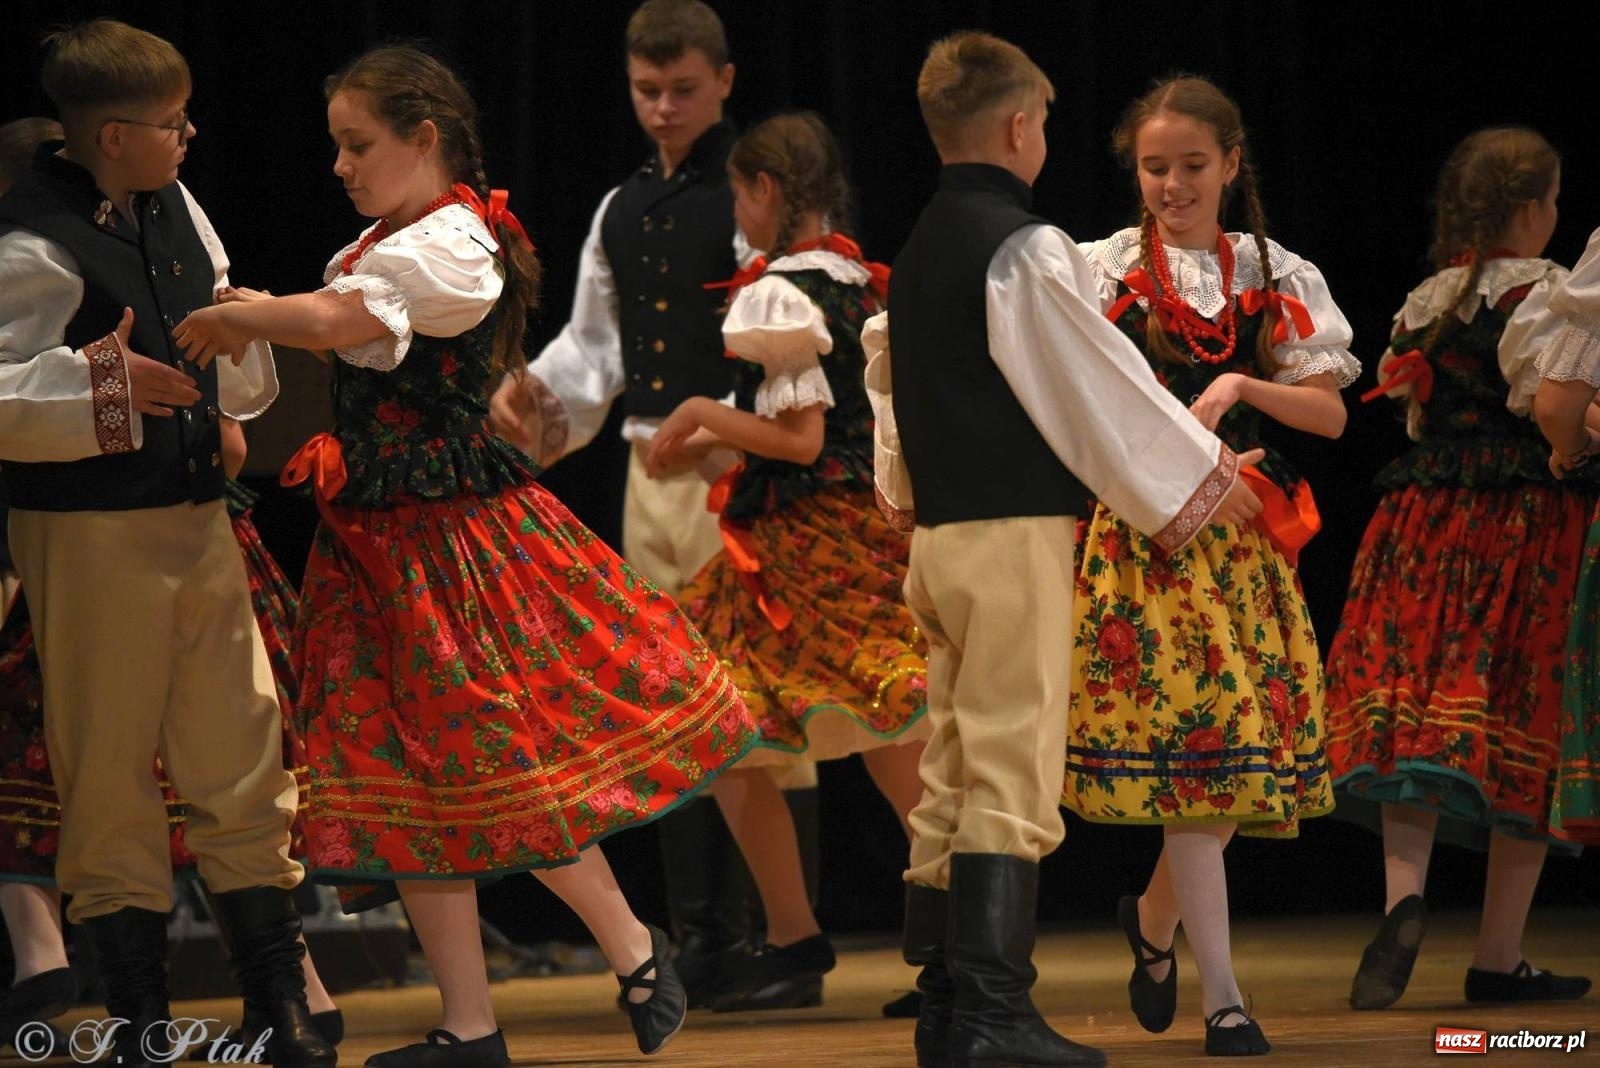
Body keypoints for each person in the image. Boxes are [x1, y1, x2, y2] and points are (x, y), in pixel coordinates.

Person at [173, 44, 758, 1068]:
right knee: (398, 784)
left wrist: (245, 314)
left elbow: (343, 320)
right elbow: (332, 320)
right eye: (338, 148)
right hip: (371, 545)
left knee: (488, 757)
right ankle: (471, 1026)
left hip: (448, 544)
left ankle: (631, 944)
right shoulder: (384, 243)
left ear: (425, 137)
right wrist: (257, 318)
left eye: (360, 146)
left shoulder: (452, 244)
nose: (343, 166)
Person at [869, 34, 1265, 1068]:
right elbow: (1094, 386)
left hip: (942, 539)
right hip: (1006, 538)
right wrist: (1203, 481)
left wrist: (905, 495)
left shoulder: (918, 244)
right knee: (1009, 757)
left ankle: (948, 1008)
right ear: (1017, 127)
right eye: (1042, 122)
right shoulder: (1020, 242)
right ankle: (995, 1017)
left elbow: (895, 395)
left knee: (952, 763)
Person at [0, 23, 334, 1068]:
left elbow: (215, 311)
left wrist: (233, 343)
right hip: (91, 534)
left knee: (236, 743)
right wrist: (104, 384)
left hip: (193, 516)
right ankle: (140, 1016)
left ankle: (275, 998)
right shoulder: (32, 238)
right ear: (109, 135)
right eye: (168, 124)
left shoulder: (173, 203)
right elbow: (3, 387)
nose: (188, 138)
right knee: (106, 767)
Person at [488, 0, 811, 1008]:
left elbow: (805, 331)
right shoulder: (620, 206)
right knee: (668, 704)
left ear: (722, 80)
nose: (663, 107)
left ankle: (780, 943)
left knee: (763, 710)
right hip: (648, 479)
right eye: (645, 90)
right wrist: (533, 399)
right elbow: (596, 345)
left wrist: (741, 432)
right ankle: (705, 941)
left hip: (743, 478)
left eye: (681, 88)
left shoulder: (755, 192)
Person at [1065, 74, 1358, 1056]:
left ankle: (1153, 923)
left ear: (1231, 164)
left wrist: (1240, 384)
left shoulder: (1272, 274)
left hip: (1241, 537)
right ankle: (1224, 999)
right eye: (1155, 168)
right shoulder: (1102, 271)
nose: (1173, 186)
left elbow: (1327, 411)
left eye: (1192, 166)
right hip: (1147, 542)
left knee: (1234, 766)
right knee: (1205, 762)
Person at [646, 111, 928, 1011]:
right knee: (852, 730)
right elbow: (827, 436)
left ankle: (832, 937)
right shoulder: (860, 282)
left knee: (747, 726)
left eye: (738, 192)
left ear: (765, 191)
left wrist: (695, 411)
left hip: (810, 545)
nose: (738, 212)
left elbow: (803, 440)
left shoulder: (781, 289)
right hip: (854, 528)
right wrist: (710, 448)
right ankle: (837, 936)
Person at [1329, 127, 1592, 1012]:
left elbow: (1413, 417)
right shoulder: (1554, 295)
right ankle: (1496, 956)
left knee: (1417, 721)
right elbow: (1552, 406)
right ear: (1530, 210)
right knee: (1520, 721)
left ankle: (1405, 901)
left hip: (1419, 523)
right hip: (1521, 525)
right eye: (1552, 201)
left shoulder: (1425, 301)